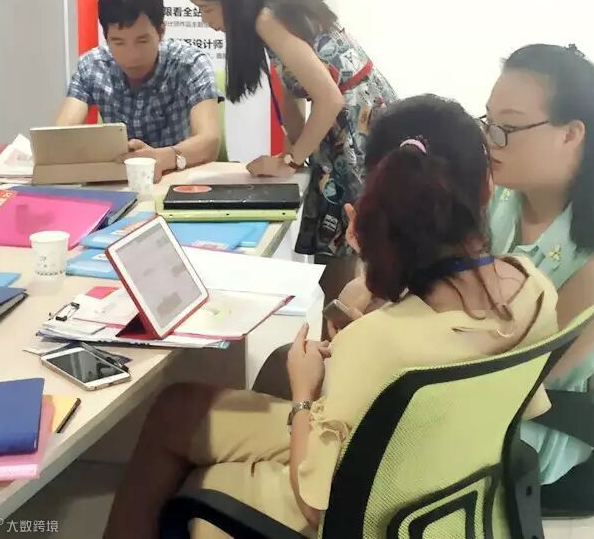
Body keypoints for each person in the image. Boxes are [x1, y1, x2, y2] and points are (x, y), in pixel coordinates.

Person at [104, 95, 559, 539]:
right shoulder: (534, 290)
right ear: (487, 188)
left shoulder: (379, 342)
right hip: (445, 480)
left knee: (198, 467)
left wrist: (304, 390)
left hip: (363, 508)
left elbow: (315, 502)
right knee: (183, 406)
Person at [181, 0, 397, 294]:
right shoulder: (279, 0)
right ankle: (342, 316)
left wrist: (291, 159)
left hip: (354, 122)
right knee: (346, 241)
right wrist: (289, 155)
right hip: (362, 113)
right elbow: (294, 87)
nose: (205, 21)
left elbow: (329, 98)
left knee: (344, 243)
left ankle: (342, 320)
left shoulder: (267, 18)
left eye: (207, 9)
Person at [482, 43, 594, 495]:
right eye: (488, 121)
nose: (490, 139)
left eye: (508, 127)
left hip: (528, 423)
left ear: (571, 134)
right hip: (466, 380)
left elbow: (522, 375)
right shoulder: (501, 195)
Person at [56, 0, 220, 180]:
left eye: (142, 41)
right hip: (116, 181)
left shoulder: (189, 63)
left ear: (161, 32)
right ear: (106, 38)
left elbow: (210, 141)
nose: (131, 56)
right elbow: (60, 136)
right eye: (118, 42)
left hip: (178, 178)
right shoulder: (92, 65)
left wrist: (162, 158)